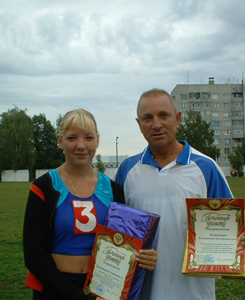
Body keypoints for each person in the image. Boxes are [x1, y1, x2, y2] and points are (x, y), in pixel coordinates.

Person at [114, 89, 245, 300]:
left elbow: (231, 229)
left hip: (193, 293)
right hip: (139, 293)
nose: (156, 124)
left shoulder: (206, 168)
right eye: (147, 118)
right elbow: (115, 232)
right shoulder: (127, 169)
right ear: (139, 124)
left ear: (177, 119)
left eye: (164, 115)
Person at [23, 109, 157, 300]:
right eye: (71, 138)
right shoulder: (44, 188)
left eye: (88, 137)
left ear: (97, 140)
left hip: (102, 289)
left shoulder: (113, 190)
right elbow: (34, 255)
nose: (81, 145)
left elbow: (124, 243)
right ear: (60, 141)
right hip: (54, 290)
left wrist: (144, 256)